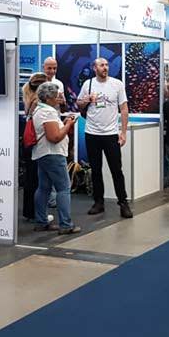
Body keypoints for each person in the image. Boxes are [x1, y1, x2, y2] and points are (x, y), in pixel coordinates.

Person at [77, 57, 132, 218]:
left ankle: (123, 202)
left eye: (106, 65)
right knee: (96, 170)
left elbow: (124, 109)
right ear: (95, 68)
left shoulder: (117, 84)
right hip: (92, 133)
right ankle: (98, 202)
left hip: (111, 134)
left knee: (116, 170)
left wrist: (123, 132)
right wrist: (86, 100)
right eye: (101, 65)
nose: (105, 67)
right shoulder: (88, 84)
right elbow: (79, 104)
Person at [32, 82, 81, 234]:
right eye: (56, 96)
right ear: (48, 98)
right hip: (53, 154)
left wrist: (63, 124)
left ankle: (41, 221)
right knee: (63, 188)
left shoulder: (38, 109)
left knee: (43, 188)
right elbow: (54, 137)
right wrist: (69, 124)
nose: (58, 98)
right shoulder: (49, 112)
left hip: (43, 153)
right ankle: (66, 224)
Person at [21, 73, 49, 221]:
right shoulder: (37, 103)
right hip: (36, 143)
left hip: (29, 142)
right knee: (36, 180)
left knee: (31, 178)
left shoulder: (28, 97)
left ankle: (30, 211)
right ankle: (37, 213)